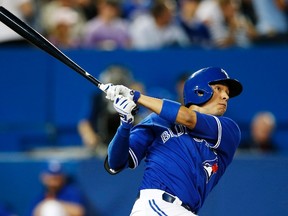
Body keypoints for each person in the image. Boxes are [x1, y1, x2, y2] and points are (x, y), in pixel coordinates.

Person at [100, 66, 243, 215]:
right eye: (219, 89)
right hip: (155, 206)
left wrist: (134, 96)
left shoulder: (228, 130)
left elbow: (188, 118)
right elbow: (115, 163)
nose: (226, 96)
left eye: (227, 92)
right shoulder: (157, 120)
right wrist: (124, 125)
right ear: (199, 91)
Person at [77, 64, 135, 157]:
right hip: (102, 145)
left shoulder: (134, 98)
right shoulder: (97, 99)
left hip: (130, 145)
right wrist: (89, 136)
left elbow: (144, 119)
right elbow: (84, 123)